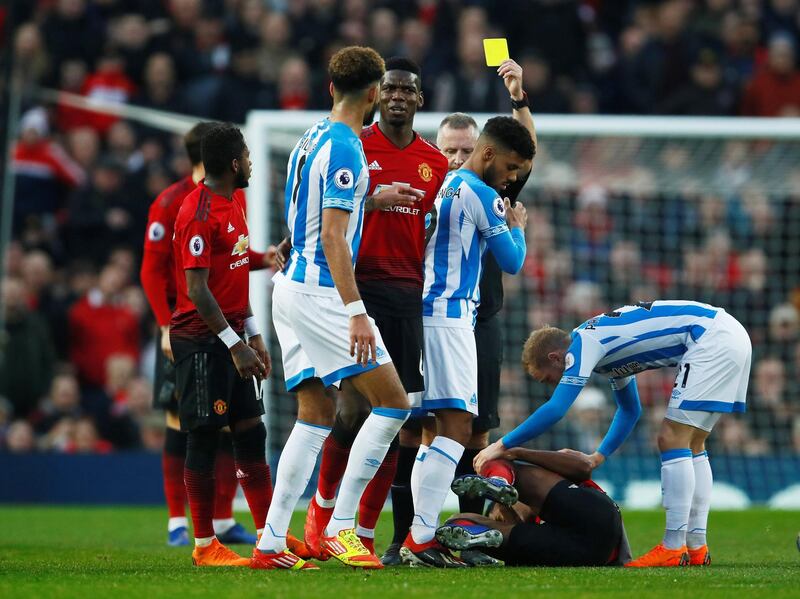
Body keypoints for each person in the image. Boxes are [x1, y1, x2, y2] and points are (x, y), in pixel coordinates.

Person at [253, 46, 410, 571]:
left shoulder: (312, 135)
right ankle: (344, 529)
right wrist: (357, 310)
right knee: (392, 403)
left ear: (329, 88)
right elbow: (335, 241)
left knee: (316, 413)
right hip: (322, 293)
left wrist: (371, 198)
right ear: (372, 95)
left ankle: (271, 544)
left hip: (288, 287)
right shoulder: (346, 147)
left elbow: (311, 211)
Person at [475, 300, 752, 567]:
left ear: (555, 357)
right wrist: (599, 456)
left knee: (671, 439)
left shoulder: (583, 345)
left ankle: (672, 546)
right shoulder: (607, 350)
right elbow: (630, 410)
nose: (552, 384)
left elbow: (557, 408)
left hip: (710, 338)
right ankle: (696, 546)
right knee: (693, 443)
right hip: (726, 334)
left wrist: (501, 444)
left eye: (548, 377)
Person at [303, 56, 448, 562]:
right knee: (350, 411)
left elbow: (431, 229)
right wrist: (373, 202)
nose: (399, 96)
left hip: (406, 293)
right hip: (358, 291)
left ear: (420, 99)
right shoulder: (355, 145)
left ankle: (363, 530)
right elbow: (325, 211)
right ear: (376, 95)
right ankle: (321, 514)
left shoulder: (436, 162)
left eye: (409, 90)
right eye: (390, 88)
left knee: (401, 423)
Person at [415, 59, 536, 567]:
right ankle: (422, 536)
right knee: (458, 428)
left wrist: (518, 97)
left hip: (432, 311)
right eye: (509, 169)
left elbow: (522, 151)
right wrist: (519, 226)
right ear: (490, 155)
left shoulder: (445, 184)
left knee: (435, 425)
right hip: (448, 316)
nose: (512, 180)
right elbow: (512, 261)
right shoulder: (482, 193)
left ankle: (421, 537)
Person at [140, 122, 278, 547]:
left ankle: (269, 540)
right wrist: (236, 345)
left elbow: (232, 275)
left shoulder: (234, 201)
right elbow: (198, 289)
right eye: (249, 156)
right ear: (235, 163)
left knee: (251, 433)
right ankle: (202, 543)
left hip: (234, 336)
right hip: (200, 340)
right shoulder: (193, 211)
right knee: (198, 435)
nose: (254, 162)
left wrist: (252, 334)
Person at [437, 448, 631, 567]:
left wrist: (504, 506)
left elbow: (583, 469)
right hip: (595, 547)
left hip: (578, 546)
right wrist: (517, 452)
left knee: (456, 519)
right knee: (495, 460)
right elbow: (585, 468)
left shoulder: (541, 487)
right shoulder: (543, 484)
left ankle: (480, 526)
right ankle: (499, 479)